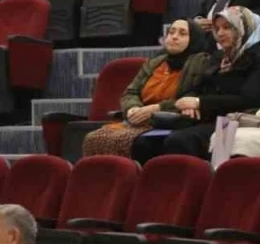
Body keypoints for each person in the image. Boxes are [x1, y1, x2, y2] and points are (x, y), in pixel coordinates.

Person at [132, 7, 260, 162]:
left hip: (239, 120)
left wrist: (200, 103)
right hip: (207, 117)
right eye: (217, 29)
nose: (220, 33)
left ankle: (199, 178)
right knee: (145, 142)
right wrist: (191, 103)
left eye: (227, 27)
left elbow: (248, 100)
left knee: (179, 141)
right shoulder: (220, 57)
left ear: (245, 28)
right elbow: (198, 86)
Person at [81, 20, 211, 157]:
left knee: (137, 142)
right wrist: (133, 108)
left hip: (168, 121)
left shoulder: (201, 64)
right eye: (171, 32)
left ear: (194, 39)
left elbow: (191, 99)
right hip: (140, 119)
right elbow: (131, 92)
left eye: (182, 34)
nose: (174, 37)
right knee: (93, 138)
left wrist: (155, 109)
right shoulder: (154, 63)